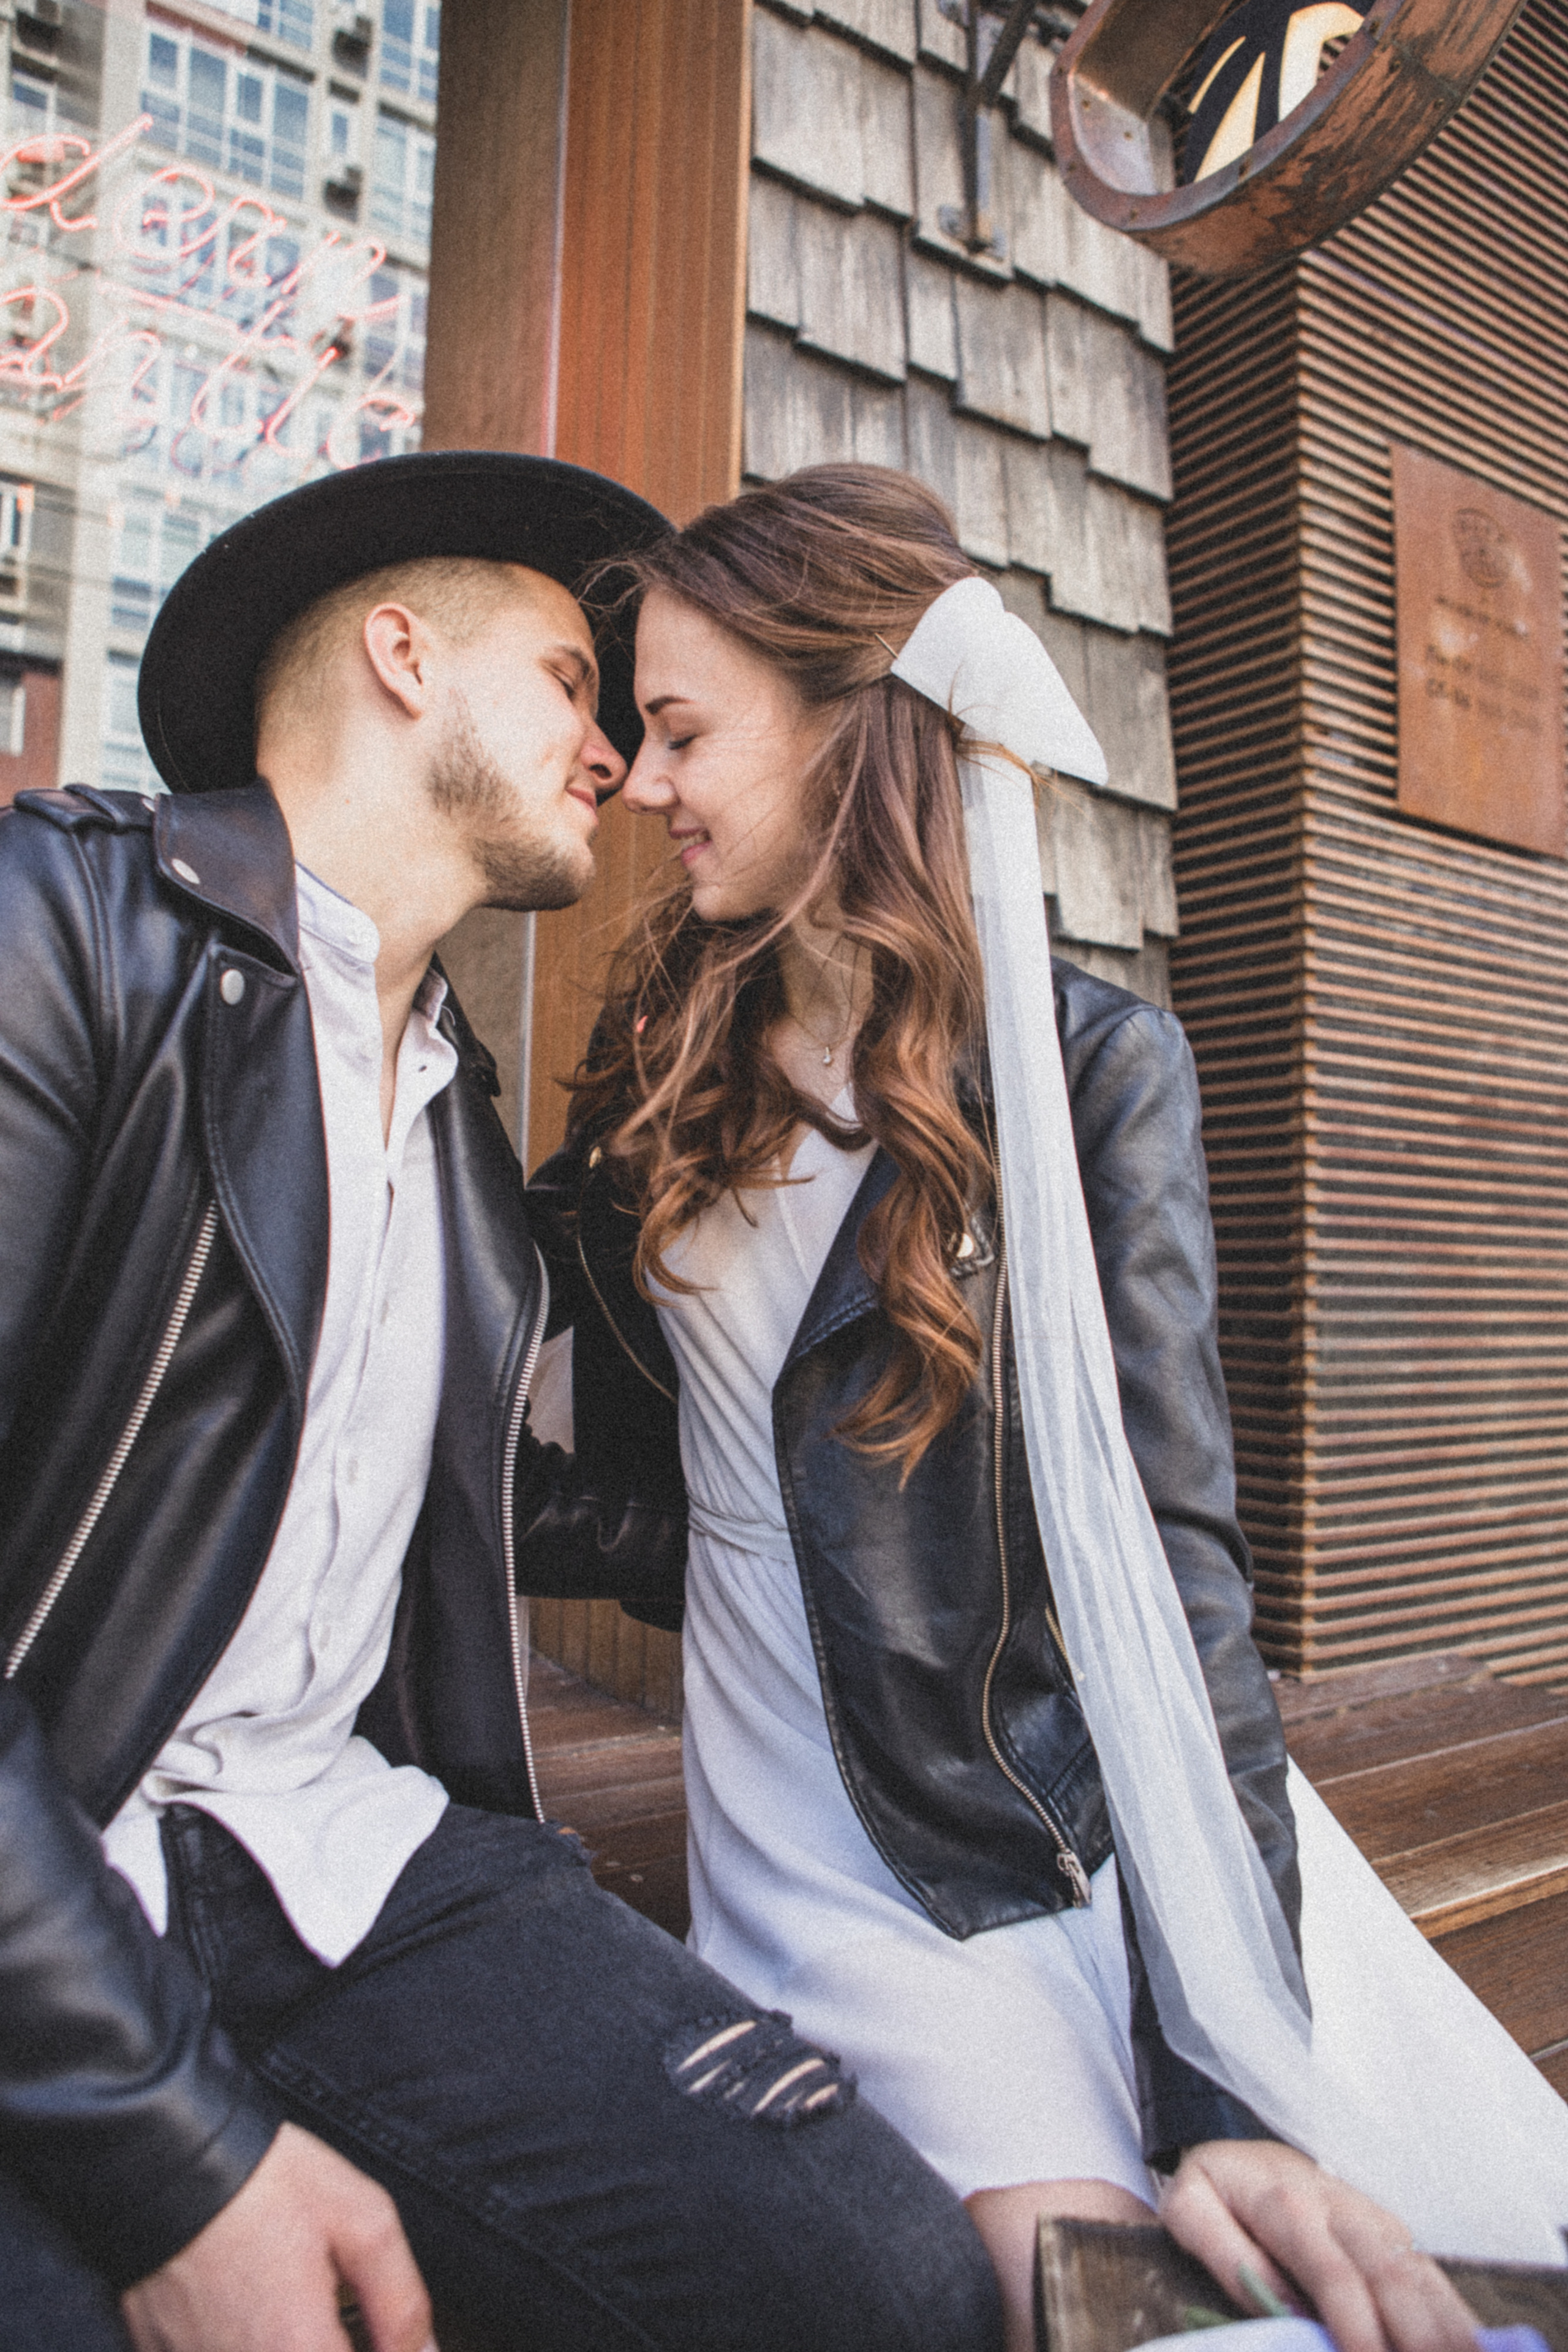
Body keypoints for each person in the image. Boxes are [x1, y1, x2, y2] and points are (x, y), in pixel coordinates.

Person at [529, 464, 1568, 2352]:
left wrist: (1228, 2083)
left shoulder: (1098, 1074)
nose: (642, 784)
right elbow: (659, 1481)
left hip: (1043, 1819)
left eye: (681, 731)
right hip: (811, 1843)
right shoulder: (665, 1054)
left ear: (857, 724)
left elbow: (1172, 1586)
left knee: (1252, 2279)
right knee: (1056, 2281)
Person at [0, 451, 1007, 2352]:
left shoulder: (455, 1135)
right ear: (401, 652)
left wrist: (779, 1562)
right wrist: (172, 2159)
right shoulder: (63, 928)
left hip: (342, 1857)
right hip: (51, 1864)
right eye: (569, 680)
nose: (618, 755)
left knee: (883, 2290)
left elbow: (411, 1483)